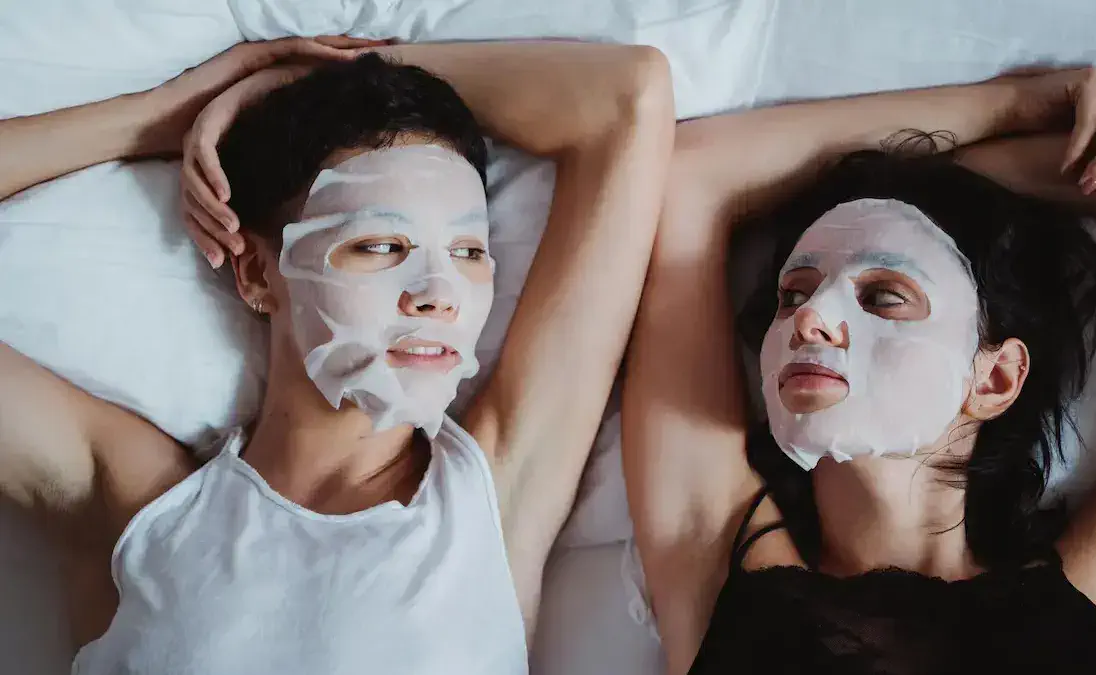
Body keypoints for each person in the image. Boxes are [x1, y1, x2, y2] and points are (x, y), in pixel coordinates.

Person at [0, 37, 674, 673]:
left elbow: (629, 97)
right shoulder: (143, 508)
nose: (439, 293)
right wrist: (169, 117)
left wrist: (315, 74)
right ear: (257, 274)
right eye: (380, 246)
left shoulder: (495, 500)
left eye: (468, 252)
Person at [624, 68, 1096, 674]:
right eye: (793, 294)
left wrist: (958, 175)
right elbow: (689, 179)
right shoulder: (717, 562)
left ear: (995, 379)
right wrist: (1012, 106)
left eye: (882, 297)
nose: (809, 318)